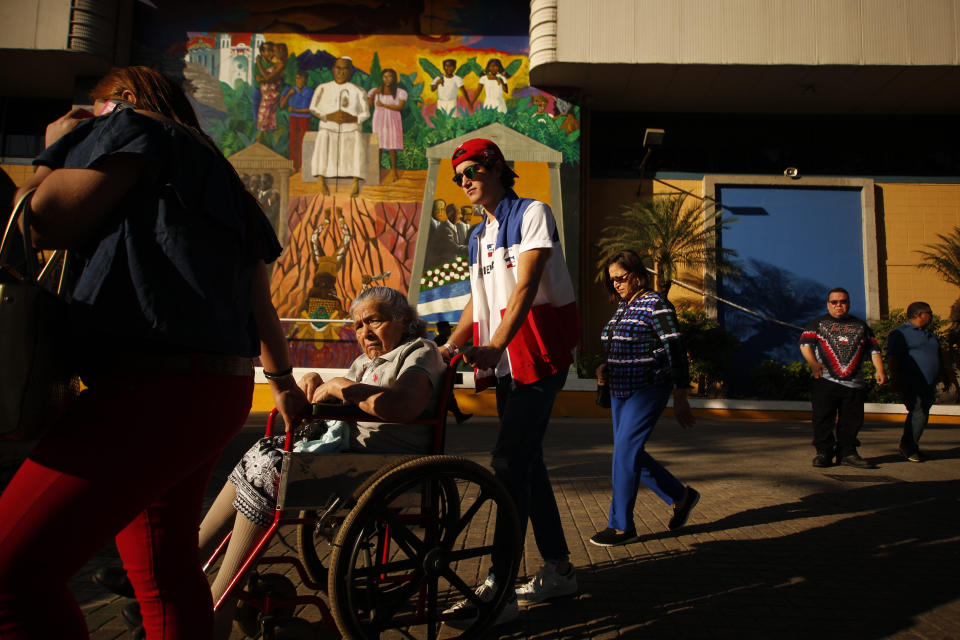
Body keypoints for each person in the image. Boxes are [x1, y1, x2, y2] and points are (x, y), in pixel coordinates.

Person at [0, 66, 308, 640]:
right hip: (216, 389)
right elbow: (257, 302)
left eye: (97, 108)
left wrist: (53, 153)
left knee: (11, 575)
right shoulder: (223, 178)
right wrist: (283, 381)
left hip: (148, 389)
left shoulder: (131, 128)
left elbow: (42, 222)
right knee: (163, 571)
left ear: (124, 100)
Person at [95, 286, 448, 639]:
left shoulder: (420, 352)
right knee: (262, 452)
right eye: (357, 325)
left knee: (270, 467)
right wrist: (316, 386)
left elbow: (402, 408)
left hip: (386, 462)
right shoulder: (364, 362)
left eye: (374, 321)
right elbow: (341, 402)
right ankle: (176, 568)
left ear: (403, 319)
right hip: (348, 452)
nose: (364, 333)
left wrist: (342, 386)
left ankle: (216, 602)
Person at [441, 138, 580, 625]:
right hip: (505, 363)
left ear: (497, 167)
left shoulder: (532, 213)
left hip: (538, 355)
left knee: (507, 463)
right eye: (459, 176)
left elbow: (526, 283)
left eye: (473, 170)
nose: (465, 181)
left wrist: (496, 343)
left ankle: (498, 587)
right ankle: (559, 568)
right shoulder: (479, 235)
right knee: (527, 462)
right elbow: (475, 302)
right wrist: (446, 347)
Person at [589, 250, 698, 547]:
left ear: (637, 274)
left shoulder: (656, 304)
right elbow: (623, 344)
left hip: (648, 388)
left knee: (624, 453)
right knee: (629, 453)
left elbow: (674, 347)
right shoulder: (624, 306)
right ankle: (680, 496)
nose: (616, 285)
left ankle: (622, 527)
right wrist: (606, 366)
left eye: (621, 278)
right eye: (611, 281)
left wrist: (680, 394)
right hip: (620, 390)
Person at [799, 287, 887, 469]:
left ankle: (847, 453)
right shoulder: (818, 323)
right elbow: (805, 344)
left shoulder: (861, 326)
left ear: (848, 303)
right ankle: (824, 452)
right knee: (822, 418)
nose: (839, 305)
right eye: (834, 302)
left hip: (854, 383)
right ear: (828, 304)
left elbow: (874, 349)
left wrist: (880, 370)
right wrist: (813, 363)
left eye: (843, 301)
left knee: (851, 420)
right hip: (825, 380)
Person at [887, 301, 956, 462]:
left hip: (929, 383)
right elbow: (893, 358)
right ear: (919, 315)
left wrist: (946, 378)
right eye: (929, 313)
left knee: (922, 414)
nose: (931, 316)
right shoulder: (900, 333)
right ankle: (908, 447)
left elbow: (939, 357)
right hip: (911, 382)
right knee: (918, 412)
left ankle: (911, 446)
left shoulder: (930, 334)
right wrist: (895, 379)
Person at [309, 57, 369, 197]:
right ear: (333, 69)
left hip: (350, 128)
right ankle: (321, 178)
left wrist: (352, 118)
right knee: (323, 139)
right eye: (338, 68)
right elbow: (313, 108)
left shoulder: (359, 91)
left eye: (345, 69)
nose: (341, 72)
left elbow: (365, 113)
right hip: (328, 126)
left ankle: (355, 181)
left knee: (356, 141)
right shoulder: (323, 88)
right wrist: (329, 116)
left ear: (350, 72)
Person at [367, 68, 407, 182]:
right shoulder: (375, 91)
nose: (387, 79)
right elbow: (368, 106)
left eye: (390, 76)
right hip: (379, 121)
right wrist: (374, 94)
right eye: (385, 77)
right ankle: (377, 173)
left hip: (393, 121)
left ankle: (394, 172)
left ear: (394, 78)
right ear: (382, 78)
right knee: (378, 146)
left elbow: (399, 107)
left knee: (392, 146)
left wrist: (384, 105)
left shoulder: (400, 92)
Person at [433, 321, 472, 424]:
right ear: (442, 330)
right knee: (447, 395)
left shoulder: (440, 340)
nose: (449, 330)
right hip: (443, 372)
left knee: (447, 395)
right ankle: (458, 415)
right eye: (447, 328)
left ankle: (458, 415)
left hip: (443, 372)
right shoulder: (441, 341)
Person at [280, 70, 314, 172]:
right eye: (297, 78)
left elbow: (312, 109)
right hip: (293, 118)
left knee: (304, 141)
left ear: (306, 80)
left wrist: (295, 110)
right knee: (293, 141)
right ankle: (293, 165)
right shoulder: (289, 90)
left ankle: (303, 165)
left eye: (302, 79)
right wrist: (289, 94)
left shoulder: (310, 92)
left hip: (305, 119)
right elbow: (281, 105)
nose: (299, 81)